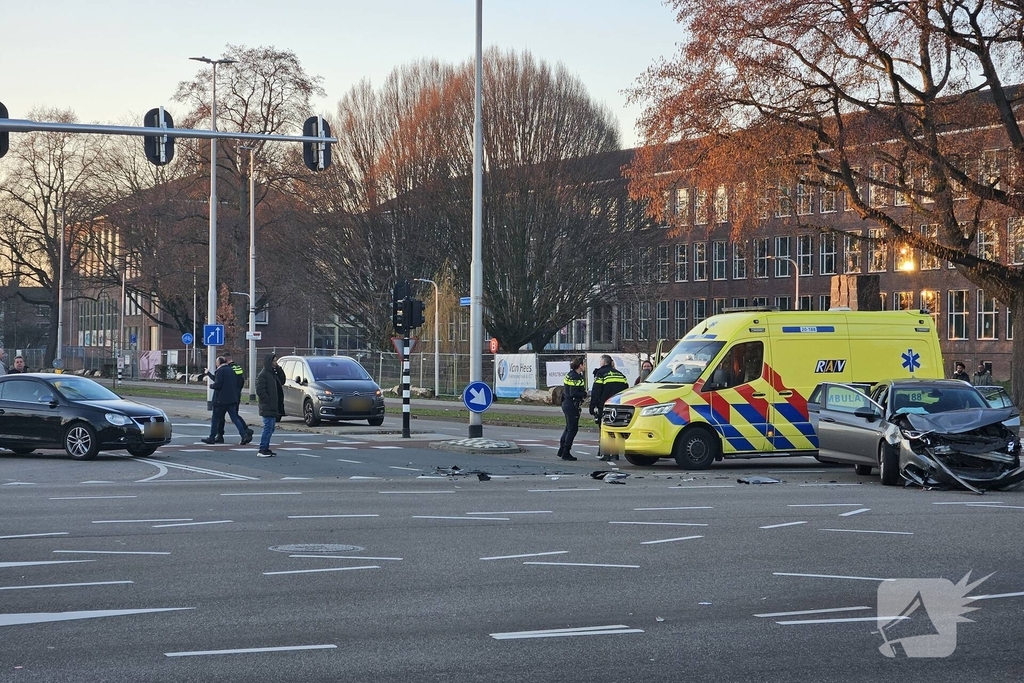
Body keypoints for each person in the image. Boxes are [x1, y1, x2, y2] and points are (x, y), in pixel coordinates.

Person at [200, 356, 253, 446]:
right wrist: (208, 373)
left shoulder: (220, 371)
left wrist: (211, 386)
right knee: (234, 418)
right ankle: (244, 435)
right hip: (231, 399)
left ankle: (212, 437)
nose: (216, 364)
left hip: (220, 400)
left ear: (219, 363)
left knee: (215, 419)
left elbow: (218, 384)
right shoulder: (231, 370)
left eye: (216, 362)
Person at [590, 355, 629, 461]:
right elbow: (626, 390)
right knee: (616, 428)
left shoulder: (601, 374)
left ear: (603, 361)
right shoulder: (620, 375)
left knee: (605, 428)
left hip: (606, 405)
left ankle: (606, 454)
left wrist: (592, 406)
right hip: (619, 405)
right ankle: (615, 454)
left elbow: (596, 391)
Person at [214, 352, 250, 442]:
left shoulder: (227, 369)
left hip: (225, 397)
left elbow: (221, 383)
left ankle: (219, 435)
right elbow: (241, 380)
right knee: (234, 416)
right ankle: (245, 431)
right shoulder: (237, 367)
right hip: (235, 395)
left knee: (220, 417)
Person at [557, 356, 587, 461]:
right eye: (584, 364)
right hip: (572, 405)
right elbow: (573, 393)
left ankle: (561, 449)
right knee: (573, 429)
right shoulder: (576, 377)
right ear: (580, 365)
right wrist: (584, 393)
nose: (585, 366)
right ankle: (566, 452)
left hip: (566, 403)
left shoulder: (570, 375)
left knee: (568, 427)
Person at [255, 353, 284, 457]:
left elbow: (282, 380)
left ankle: (265, 448)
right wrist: (268, 400)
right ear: (269, 362)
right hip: (267, 406)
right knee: (268, 427)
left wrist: (279, 369)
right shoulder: (263, 374)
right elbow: (260, 390)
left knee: (271, 428)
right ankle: (262, 449)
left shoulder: (273, 374)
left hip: (273, 405)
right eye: (274, 361)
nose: (276, 363)